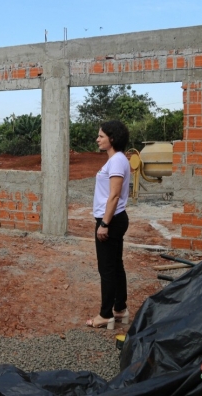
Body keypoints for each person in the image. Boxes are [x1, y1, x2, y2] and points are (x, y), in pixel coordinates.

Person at [86, 120, 131, 330]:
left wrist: (104, 223)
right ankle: (120, 309)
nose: (97, 139)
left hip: (110, 220)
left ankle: (105, 315)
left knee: (107, 269)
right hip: (115, 218)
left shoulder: (116, 161)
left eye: (101, 136)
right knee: (116, 266)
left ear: (112, 139)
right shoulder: (117, 160)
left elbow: (114, 196)